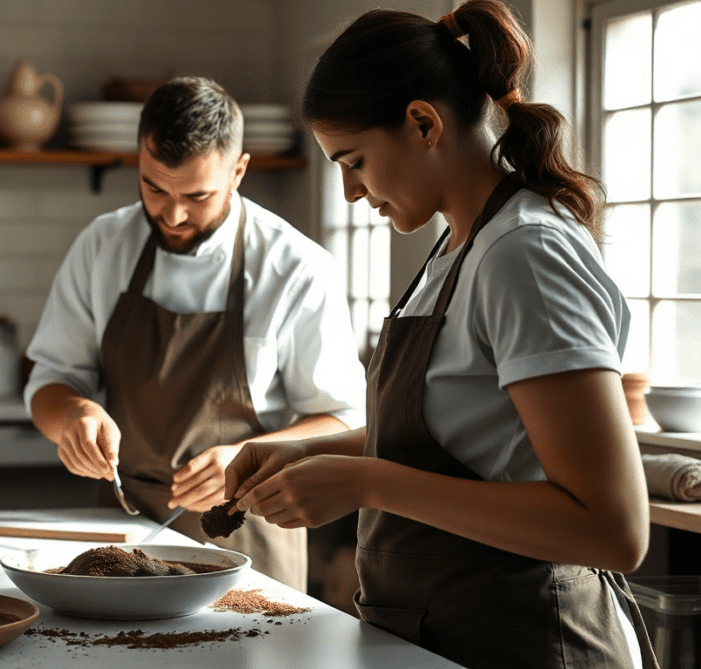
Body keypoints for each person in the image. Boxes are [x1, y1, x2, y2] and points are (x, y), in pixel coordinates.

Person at [224, 1, 659, 667]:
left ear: (423, 122)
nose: (347, 192)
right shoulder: (455, 250)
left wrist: (366, 481)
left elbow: (612, 529)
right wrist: (306, 454)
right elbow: (457, 436)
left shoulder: (525, 255)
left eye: (354, 160)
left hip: (536, 642)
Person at [24, 76, 366, 590]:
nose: (173, 214)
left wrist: (246, 459)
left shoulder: (297, 267)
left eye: (197, 195)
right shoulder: (103, 245)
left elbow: (343, 420)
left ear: (239, 171)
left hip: (247, 538)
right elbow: (50, 379)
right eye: (153, 187)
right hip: (123, 532)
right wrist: (72, 415)